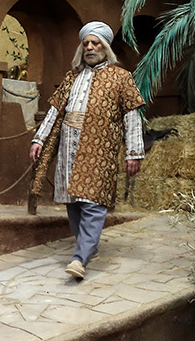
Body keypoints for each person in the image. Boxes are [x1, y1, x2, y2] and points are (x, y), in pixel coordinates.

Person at [29, 21, 145, 280]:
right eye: (86, 43)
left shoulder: (121, 77)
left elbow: (132, 116)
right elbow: (54, 111)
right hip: (68, 147)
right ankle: (88, 248)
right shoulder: (71, 77)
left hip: (99, 149)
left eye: (96, 43)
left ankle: (80, 259)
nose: (90, 47)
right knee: (73, 203)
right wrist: (39, 139)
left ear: (106, 47)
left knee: (93, 201)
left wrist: (134, 152)